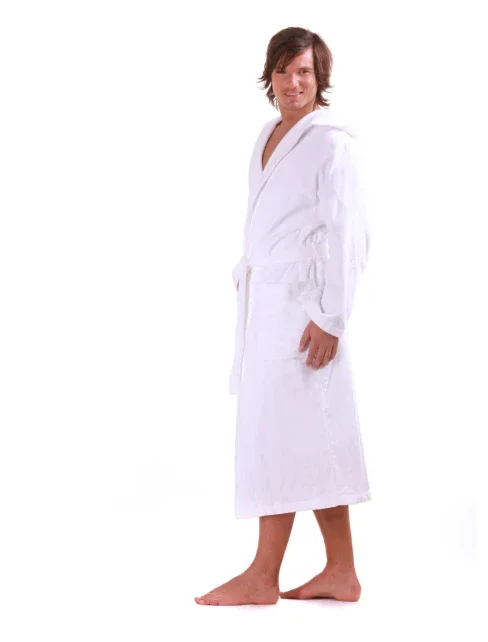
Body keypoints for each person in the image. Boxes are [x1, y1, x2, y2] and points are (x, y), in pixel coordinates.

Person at [195, 27, 371, 606]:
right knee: (304, 438)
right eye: (283, 71)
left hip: (304, 313)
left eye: (305, 72)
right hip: (268, 307)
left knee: (286, 436)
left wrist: (331, 318)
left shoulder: (330, 144)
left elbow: (350, 234)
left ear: (320, 79)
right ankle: (340, 571)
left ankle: (262, 574)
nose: (293, 83)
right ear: (269, 75)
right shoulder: (268, 135)